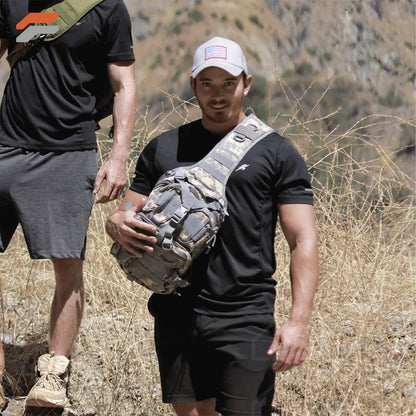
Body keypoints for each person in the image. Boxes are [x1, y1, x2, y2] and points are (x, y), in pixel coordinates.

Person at [106, 36, 319, 416]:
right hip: (177, 314)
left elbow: (302, 239)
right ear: (193, 86)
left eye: (228, 84)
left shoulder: (276, 152)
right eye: (207, 84)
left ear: (246, 84)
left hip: (245, 315)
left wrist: (298, 322)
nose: (217, 95)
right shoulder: (164, 148)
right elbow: (130, 205)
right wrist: (117, 219)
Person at [0, 0, 135, 409]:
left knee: (67, 263)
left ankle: (53, 373)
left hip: (67, 153)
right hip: (5, 147)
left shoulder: (107, 8)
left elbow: (123, 84)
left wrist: (118, 157)